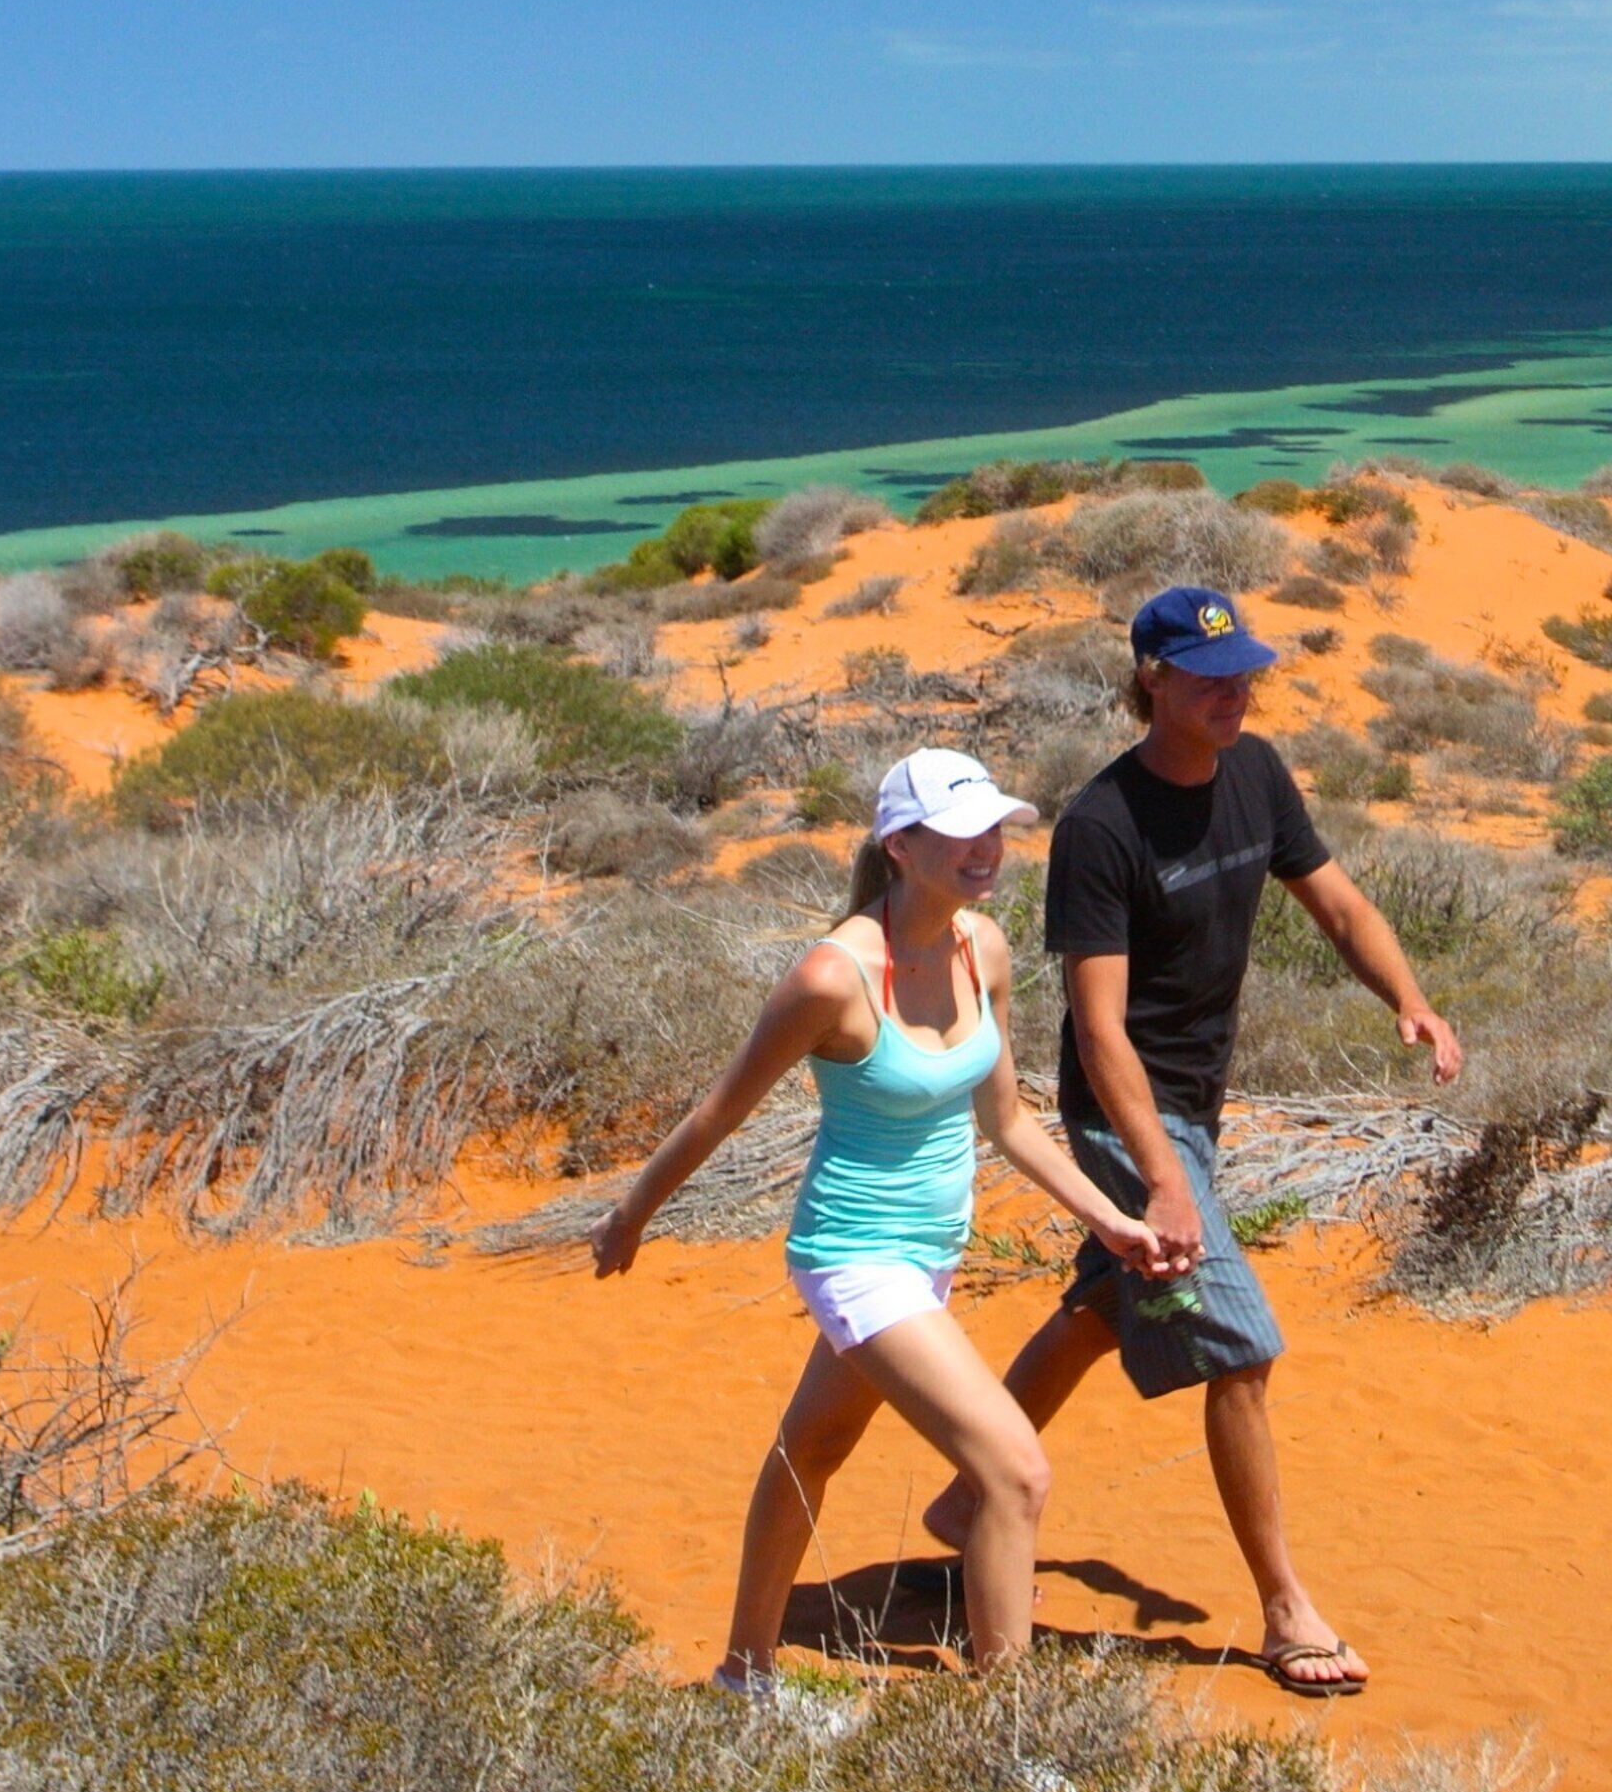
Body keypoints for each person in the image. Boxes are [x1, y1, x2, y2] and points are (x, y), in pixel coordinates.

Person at [922, 585, 1462, 1699]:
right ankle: (1283, 1608)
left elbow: (1340, 903)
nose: (1236, 692)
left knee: (1109, 1302)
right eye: (1211, 677)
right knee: (1242, 1348)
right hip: (1125, 1114)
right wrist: (1162, 1178)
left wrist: (1408, 997)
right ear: (1152, 682)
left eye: (1245, 673)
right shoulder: (1101, 828)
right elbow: (1100, 1030)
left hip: (1198, 1106)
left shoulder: (1256, 773)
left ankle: (970, 1492)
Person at [593, 748, 1168, 1692]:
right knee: (1013, 1474)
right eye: (958, 834)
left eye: (992, 828)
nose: (985, 848)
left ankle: (743, 1674)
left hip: (930, 1255)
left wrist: (1110, 1218)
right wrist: (631, 1215)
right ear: (900, 846)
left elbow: (1008, 1119)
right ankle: (1010, 1741)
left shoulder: (983, 948)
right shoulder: (834, 978)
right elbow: (719, 1109)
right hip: (854, 1256)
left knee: (813, 1449)